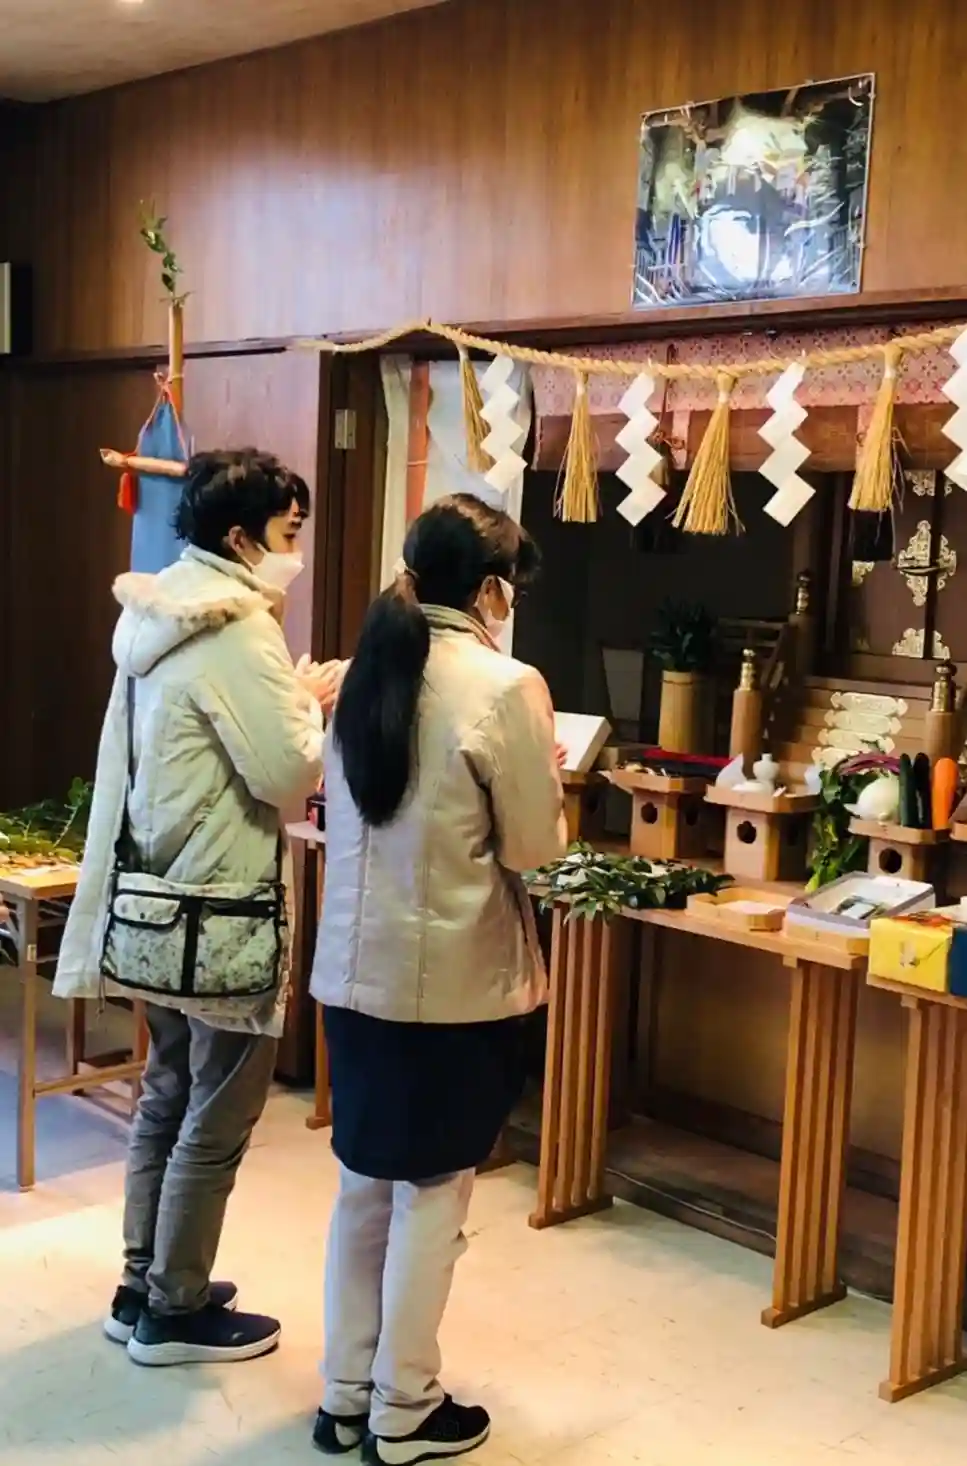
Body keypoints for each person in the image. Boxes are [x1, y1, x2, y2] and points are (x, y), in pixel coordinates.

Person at [55, 449, 342, 1366]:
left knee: (167, 1094)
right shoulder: (239, 630)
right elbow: (287, 774)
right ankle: (174, 1312)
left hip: (157, 902)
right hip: (221, 911)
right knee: (216, 1114)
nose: (294, 550)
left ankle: (140, 1283)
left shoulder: (158, 613)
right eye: (288, 532)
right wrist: (309, 702)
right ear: (241, 536)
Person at [310, 493, 568, 1463]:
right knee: (432, 1194)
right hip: (453, 986)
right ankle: (405, 1406)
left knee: (364, 1187)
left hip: (353, 978)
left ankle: (347, 1394)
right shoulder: (505, 685)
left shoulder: (364, 670)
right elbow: (533, 847)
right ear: (491, 589)